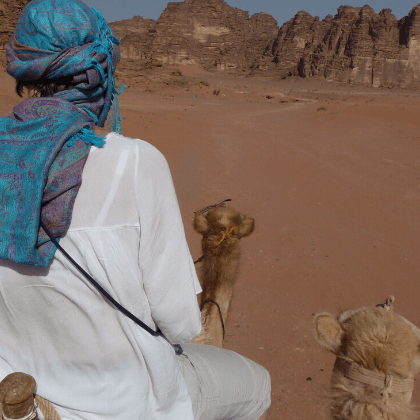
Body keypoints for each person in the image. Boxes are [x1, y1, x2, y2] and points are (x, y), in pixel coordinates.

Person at [0, 1, 271, 419]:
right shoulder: (133, 163)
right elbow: (180, 324)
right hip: (128, 399)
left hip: (23, 390)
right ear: (100, 73)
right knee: (258, 385)